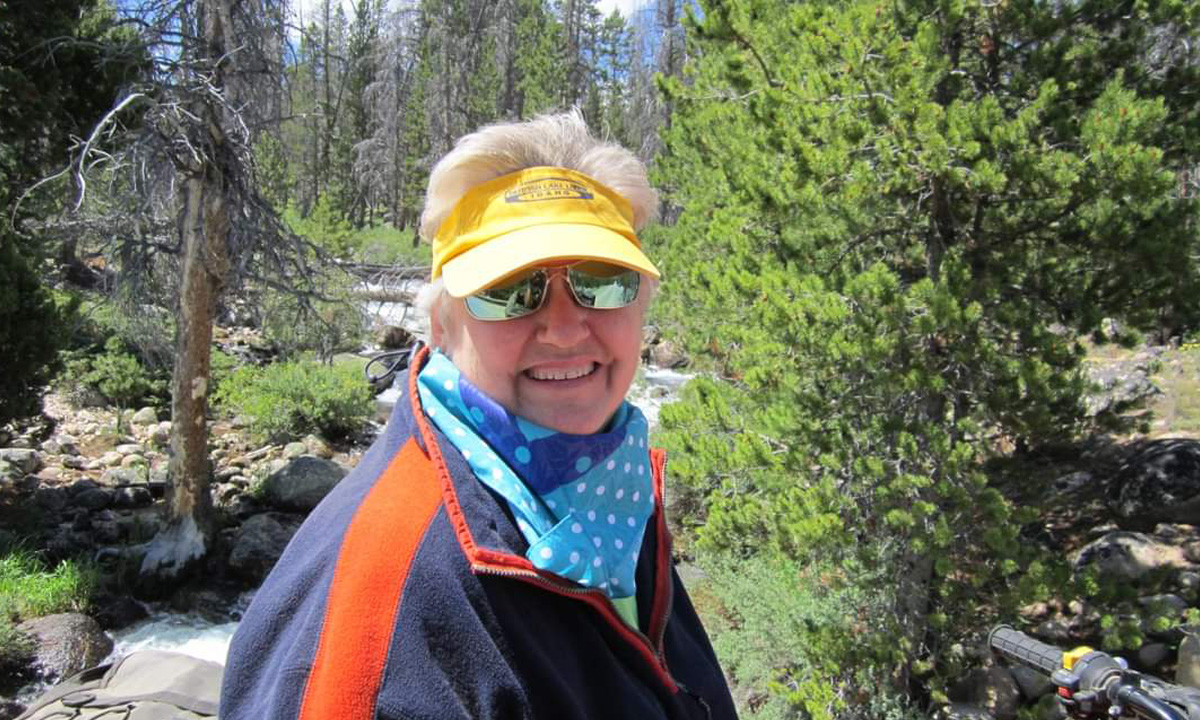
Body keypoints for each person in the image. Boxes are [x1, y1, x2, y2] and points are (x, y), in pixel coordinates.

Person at [219, 110, 738, 720]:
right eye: (512, 290)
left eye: (603, 281)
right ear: (441, 323)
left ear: (642, 303)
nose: (567, 327)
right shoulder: (387, 615)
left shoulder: (607, 493)